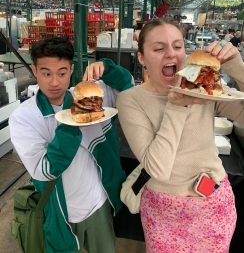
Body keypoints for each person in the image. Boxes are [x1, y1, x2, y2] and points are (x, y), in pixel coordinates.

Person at [116, 18, 244, 253]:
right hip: (164, 212)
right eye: (158, 48)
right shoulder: (131, 100)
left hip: (214, 204)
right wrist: (177, 106)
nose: (170, 55)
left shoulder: (205, 89)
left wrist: (236, 66)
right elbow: (159, 169)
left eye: (177, 46)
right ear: (142, 58)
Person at [9, 37, 134, 253]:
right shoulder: (24, 117)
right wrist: (71, 121)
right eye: (46, 73)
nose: (55, 82)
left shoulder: (90, 97)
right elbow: (44, 171)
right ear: (34, 70)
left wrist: (107, 68)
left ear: (72, 69)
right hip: (61, 212)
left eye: (62, 73)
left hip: (99, 204)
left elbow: (128, 86)